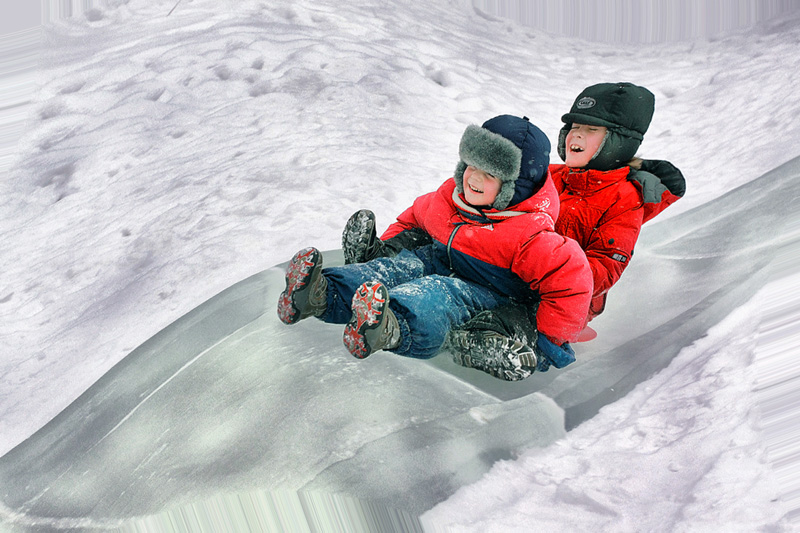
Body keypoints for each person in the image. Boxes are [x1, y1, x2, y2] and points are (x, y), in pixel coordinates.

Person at [340, 82, 686, 380]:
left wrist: (547, 271)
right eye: (574, 126)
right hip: (507, 267)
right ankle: (384, 255)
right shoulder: (553, 174)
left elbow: (605, 267)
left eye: (592, 131)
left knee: (511, 315)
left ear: (619, 142)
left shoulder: (626, 200)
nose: (576, 135)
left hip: (555, 296)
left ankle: (498, 346)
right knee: (445, 230)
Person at [277, 115, 592, 365]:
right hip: (438, 259)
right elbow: (414, 217)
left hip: (489, 292)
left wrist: (549, 341)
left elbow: (573, 280)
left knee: (437, 294)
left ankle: (387, 326)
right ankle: (321, 293)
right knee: (396, 271)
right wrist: (386, 253)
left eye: (491, 174)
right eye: (472, 166)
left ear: (516, 188)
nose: (474, 178)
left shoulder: (530, 234)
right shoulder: (451, 197)